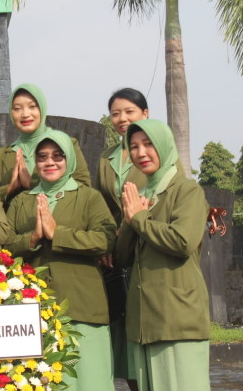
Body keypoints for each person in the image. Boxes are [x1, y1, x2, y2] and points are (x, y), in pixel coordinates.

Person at [5, 129, 116, 390]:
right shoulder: (22, 201)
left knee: (88, 379)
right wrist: (31, 239)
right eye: (42, 157)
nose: (50, 162)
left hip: (82, 305)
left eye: (58, 156)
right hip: (34, 307)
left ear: (69, 160)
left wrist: (58, 234)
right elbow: (3, 245)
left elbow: (106, 239)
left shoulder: (88, 197)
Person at [116, 119, 210, 391]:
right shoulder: (141, 195)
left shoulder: (187, 191)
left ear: (165, 145)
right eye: (133, 147)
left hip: (177, 319)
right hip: (143, 322)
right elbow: (121, 256)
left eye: (148, 144)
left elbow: (182, 241)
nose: (141, 153)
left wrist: (140, 218)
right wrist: (129, 219)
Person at [97, 88, 149, 391]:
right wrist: (107, 242)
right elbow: (101, 203)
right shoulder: (107, 157)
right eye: (116, 113)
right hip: (118, 257)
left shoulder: (157, 152)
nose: (122, 118)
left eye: (129, 111)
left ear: (145, 114)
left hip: (147, 244)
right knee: (123, 338)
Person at [0, 83, 91, 208]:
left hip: (59, 223)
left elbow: (84, 189)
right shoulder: (2, 155)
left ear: (42, 109)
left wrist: (31, 184)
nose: (25, 114)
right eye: (17, 108)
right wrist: (9, 188)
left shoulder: (67, 145)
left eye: (32, 106)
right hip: (12, 225)